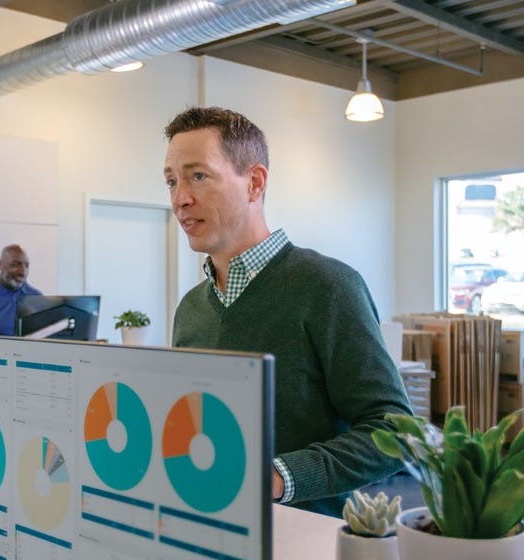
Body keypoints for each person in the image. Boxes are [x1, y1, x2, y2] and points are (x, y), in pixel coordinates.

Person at [163, 107, 412, 516]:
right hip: (208, 528)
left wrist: (277, 478)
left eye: (198, 176)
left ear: (254, 182)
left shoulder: (329, 287)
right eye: (172, 181)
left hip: (304, 536)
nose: (180, 199)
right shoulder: (190, 309)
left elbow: (395, 432)